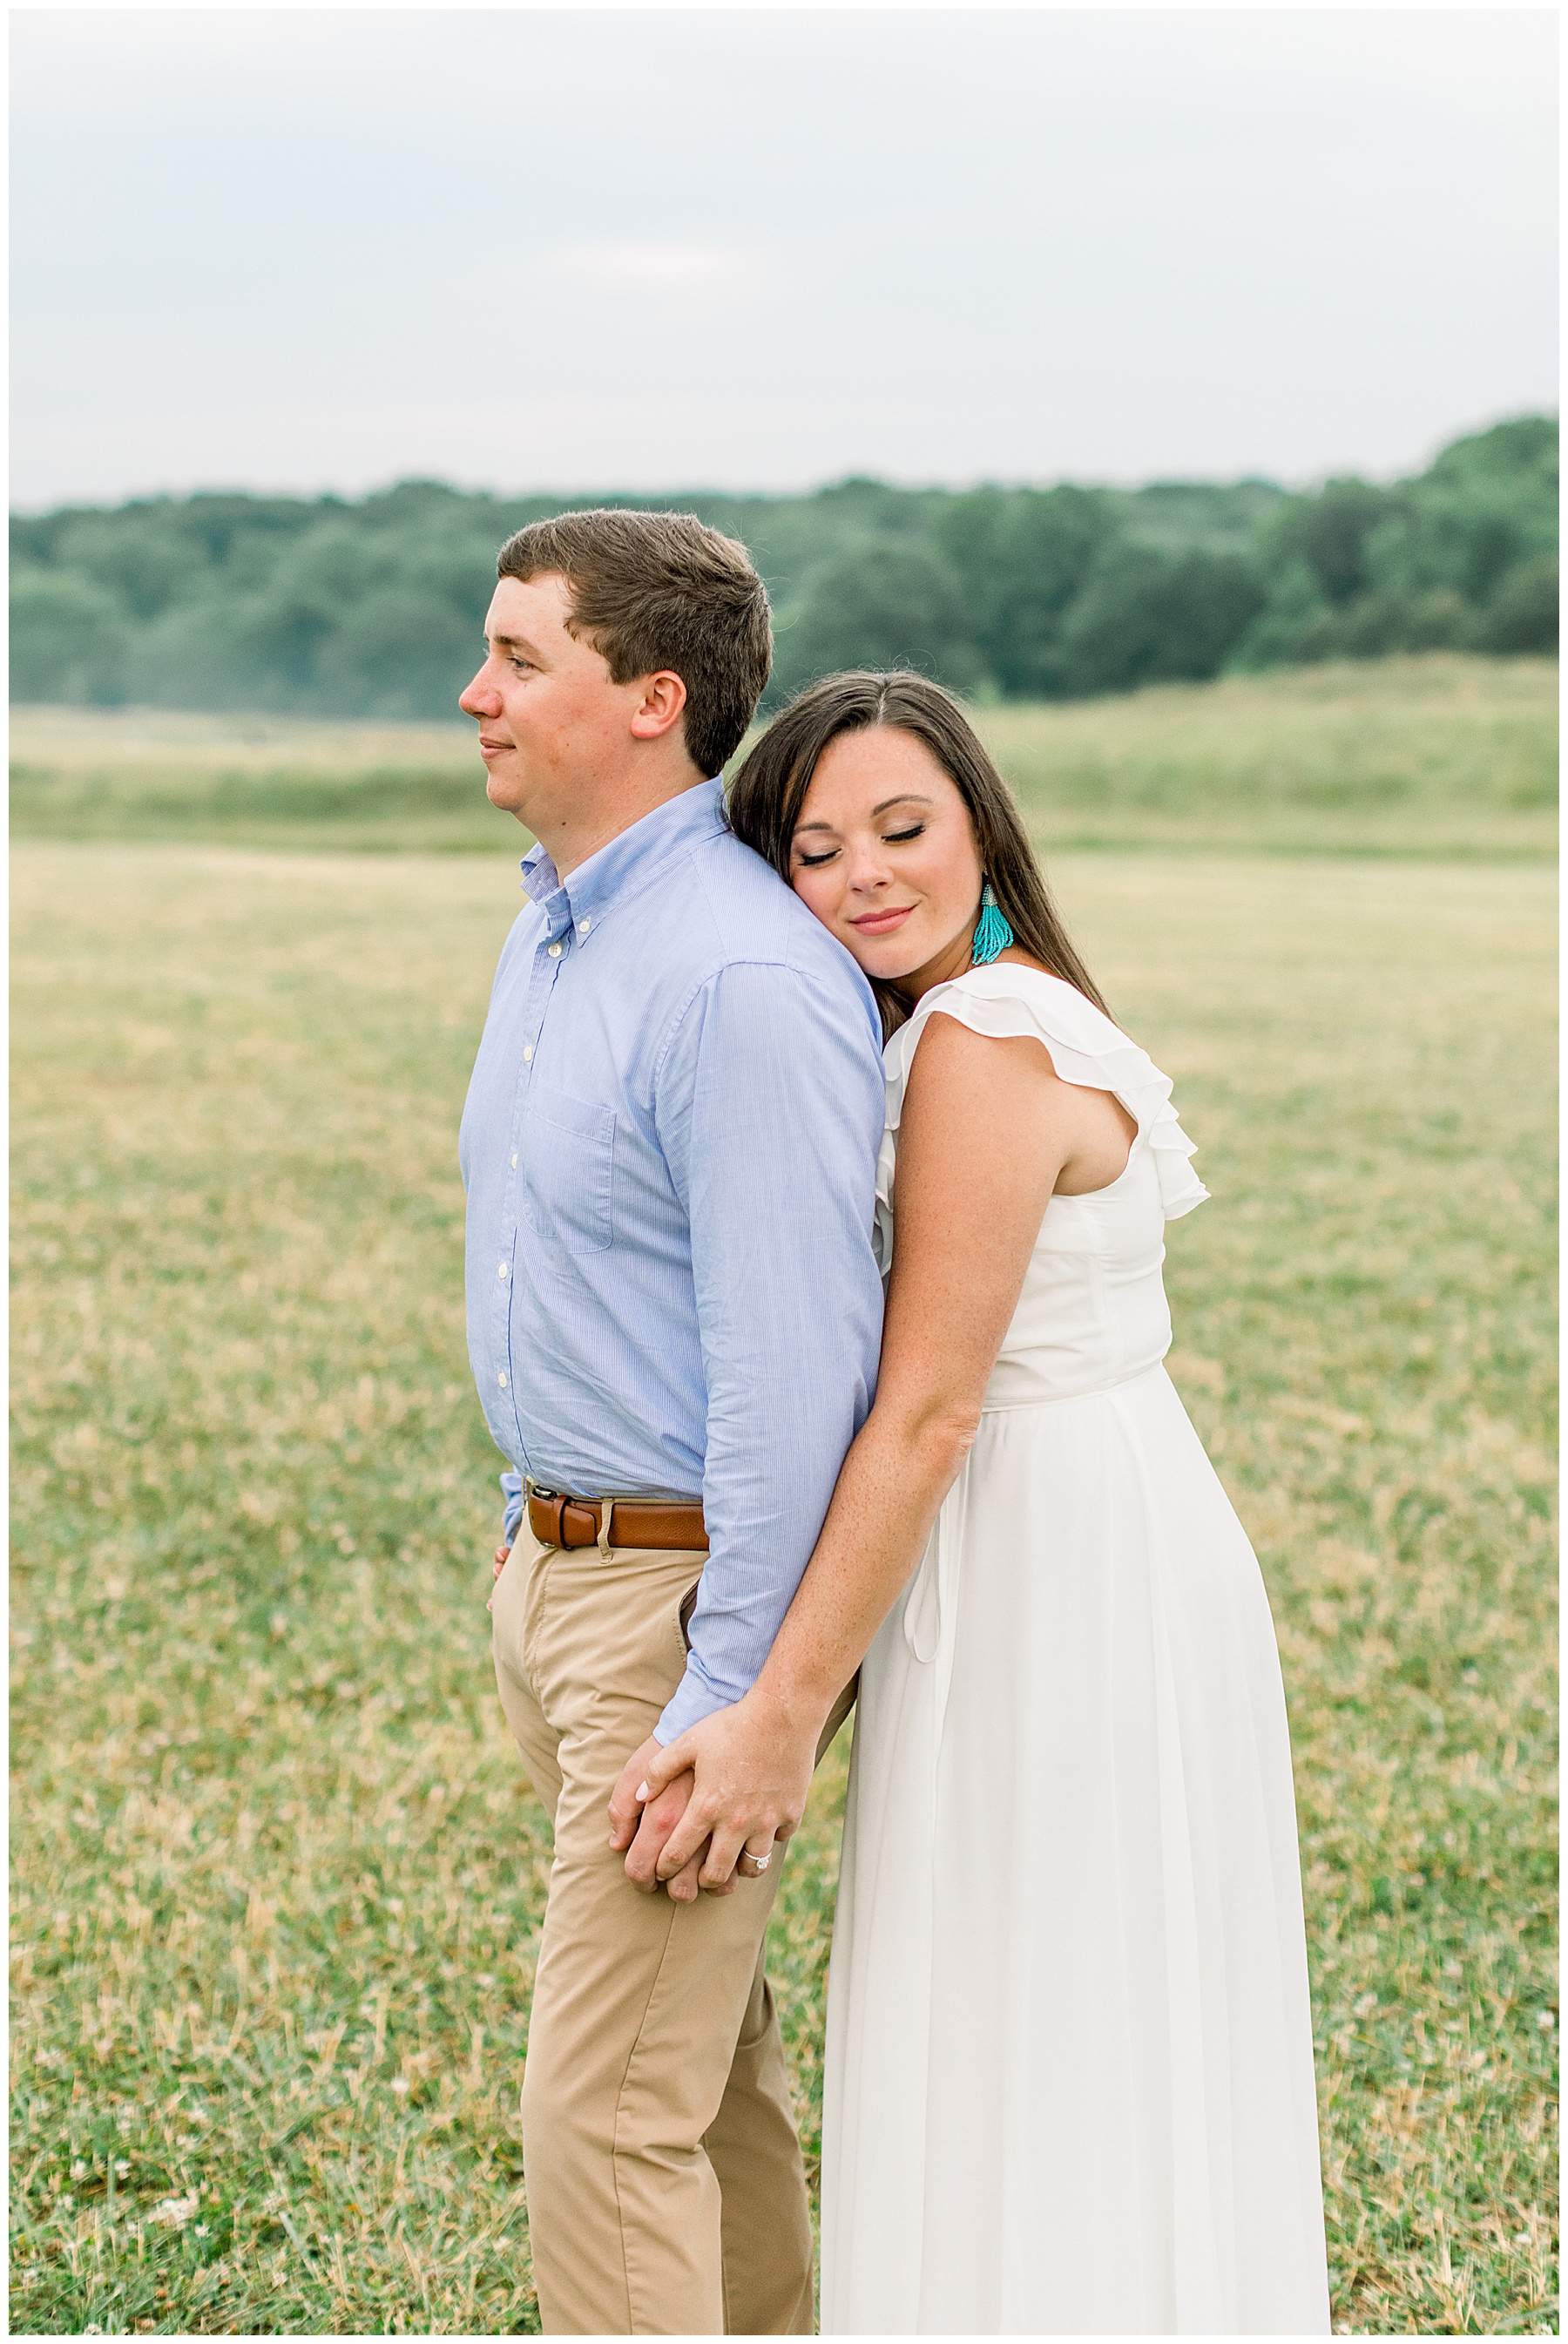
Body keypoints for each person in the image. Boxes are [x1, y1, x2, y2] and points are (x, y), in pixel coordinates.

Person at [621, 672, 1332, 2334]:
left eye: (903, 828)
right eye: (815, 850)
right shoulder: (995, 1010)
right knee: (1068, 1992)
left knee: (1046, 1992)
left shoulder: (980, 1043)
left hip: (1051, 1553)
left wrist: (780, 1705)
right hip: (1100, 1514)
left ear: (980, 828)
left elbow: (931, 1408)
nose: (865, 874)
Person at [458, 514, 885, 2335]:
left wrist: (742, 1694)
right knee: (695, 2081)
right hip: (561, 1578)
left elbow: (798, 1384)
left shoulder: (737, 976)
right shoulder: (558, 931)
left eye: (519, 658)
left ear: (651, 698)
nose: (475, 695)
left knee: (604, 2114)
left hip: (681, 1615)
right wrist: (527, 1555)